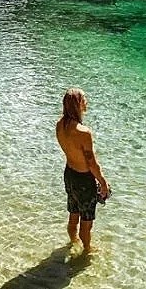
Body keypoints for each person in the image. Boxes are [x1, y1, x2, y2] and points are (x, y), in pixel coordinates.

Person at [55, 88, 110, 253]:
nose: (87, 101)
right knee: (87, 221)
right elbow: (92, 163)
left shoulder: (60, 125)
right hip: (84, 180)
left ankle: (73, 242)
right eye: (84, 99)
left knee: (73, 214)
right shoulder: (83, 133)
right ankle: (86, 250)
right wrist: (103, 183)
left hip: (69, 174)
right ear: (77, 104)